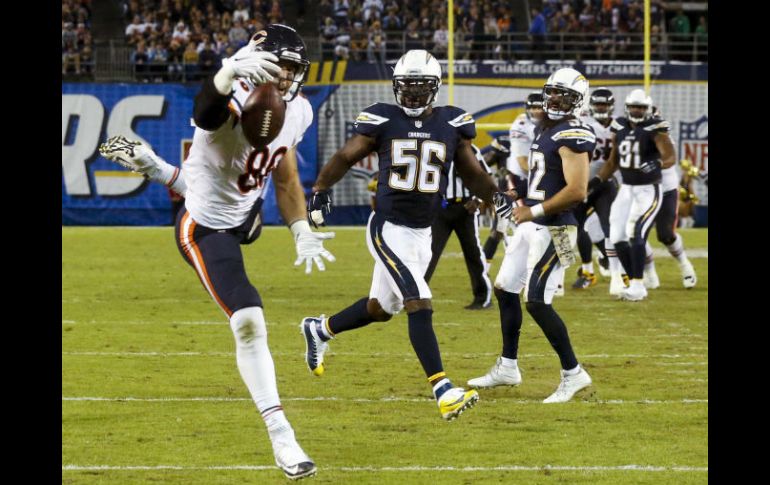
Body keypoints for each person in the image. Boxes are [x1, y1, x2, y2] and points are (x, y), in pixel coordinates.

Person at [98, 24, 331, 481]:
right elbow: (206, 113)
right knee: (249, 322)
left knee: (216, 193)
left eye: (293, 69)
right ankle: (281, 433)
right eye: (281, 66)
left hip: (247, 215)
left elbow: (283, 174)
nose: (287, 77)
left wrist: (300, 227)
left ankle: (153, 165)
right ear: (256, 62)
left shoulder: (298, 110)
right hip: (204, 229)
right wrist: (225, 74)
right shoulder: (233, 93)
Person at [300, 50, 512, 420]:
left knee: (381, 308)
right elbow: (346, 157)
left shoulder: (452, 123)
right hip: (388, 226)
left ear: (435, 88)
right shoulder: (383, 118)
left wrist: (496, 195)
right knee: (419, 300)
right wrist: (320, 189)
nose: (413, 95)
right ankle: (443, 390)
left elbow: (473, 173)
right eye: (407, 87)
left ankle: (320, 329)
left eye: (421, 87)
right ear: (396, 87)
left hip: (422, 232)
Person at [467, 67, 594, 403]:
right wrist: (508, 195)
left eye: (562, 95)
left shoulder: (573, 135)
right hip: (532, 224)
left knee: (537, 301)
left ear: (577, 102)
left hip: (556, 228)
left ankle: (573, 373)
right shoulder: (546, 129)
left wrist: (531, 210)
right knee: (505, 289)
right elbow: (539, 182)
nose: (553, 99)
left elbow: (578, 190)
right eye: (551, 92)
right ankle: (508, 366)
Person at [592, 89, 676, 301]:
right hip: (627, 189)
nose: (637, 111)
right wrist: (595, 181)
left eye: (641, 107)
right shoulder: (619, 126)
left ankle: (638, 285)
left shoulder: (655, 128)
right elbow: (612, 162)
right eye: (634, 107)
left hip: (648, 189)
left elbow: (670, 157)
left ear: (647, 109)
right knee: (617, 235)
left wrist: (657, 162)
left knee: (634, 231)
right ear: (627, 108)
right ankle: (634, 281)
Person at [423, 143, 494, 310]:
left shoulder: (470, 149)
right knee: (427, 253)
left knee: (473, 253)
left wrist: (478, 200)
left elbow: (485, 176)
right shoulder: (432, 146)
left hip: (466, 208)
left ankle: (482, 297)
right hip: (439, 209)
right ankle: (417, 296)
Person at [572, 87, 624, 294]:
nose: (601, 108)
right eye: (598, 104)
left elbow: (616, 159)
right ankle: (587, 272)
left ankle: (619, 272)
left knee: (609, 226)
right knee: (577, 226)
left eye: (604, 104)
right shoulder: (583, 123)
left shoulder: (620, 125)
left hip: (606, 182)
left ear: (610, 106)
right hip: (581, 181)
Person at [640, 106, 697, 290]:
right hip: (642, 190)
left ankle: (684, 264)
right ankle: (650, 274)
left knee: (666, 234)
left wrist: (654, 164)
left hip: (665, 189)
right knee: (636, 236)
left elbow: (670, 158)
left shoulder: (661, 136)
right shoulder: (631, 134)